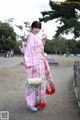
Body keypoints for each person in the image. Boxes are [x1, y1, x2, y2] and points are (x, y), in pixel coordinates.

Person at [24, 21, 52, 111]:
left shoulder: (36, 36)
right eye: (35, 27)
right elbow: (29, 50)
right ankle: (30, 103)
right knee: (33, 83)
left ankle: (37, 101)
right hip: (35, 62)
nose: (37, 30)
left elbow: (40, 49)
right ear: (32, 27)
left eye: (39, 28)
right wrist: (33, 64)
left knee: (40, 83)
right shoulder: (30, 36)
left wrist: (43, 41)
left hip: (41, 62)